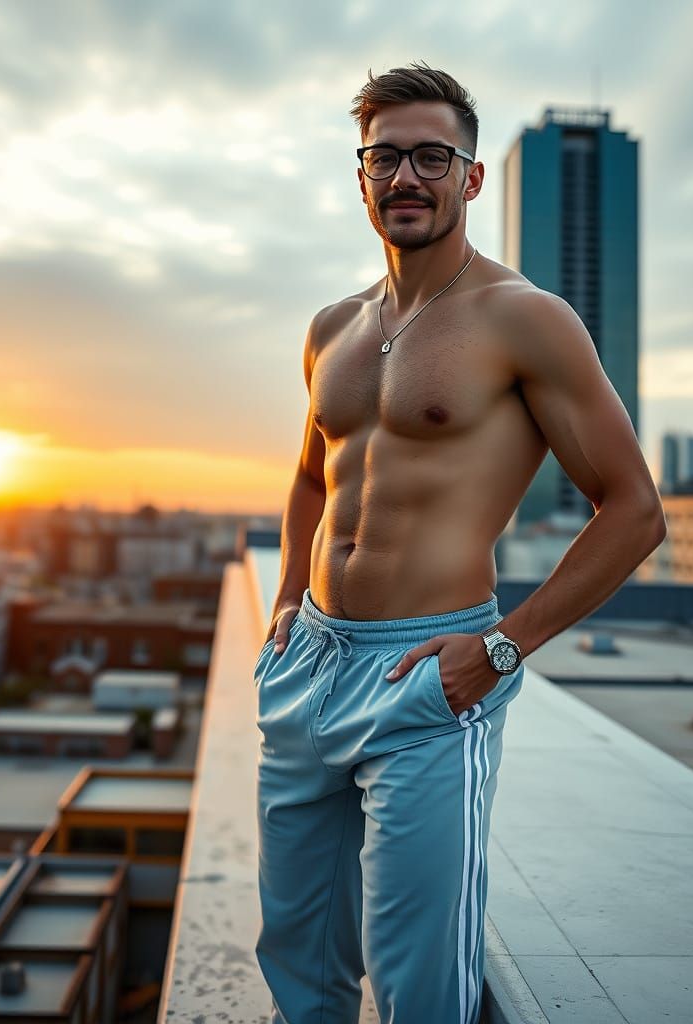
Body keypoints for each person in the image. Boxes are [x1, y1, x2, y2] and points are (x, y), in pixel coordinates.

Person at [252, 62, 666, 1023]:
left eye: (432, 156)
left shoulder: (526, 320)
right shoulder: (332, 328)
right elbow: (314, 476)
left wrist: (503, 647)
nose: (407, 177)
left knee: (419, 981)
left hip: (430, 674)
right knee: (297, 965)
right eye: (385, 157)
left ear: (471, 178)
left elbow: (634, 508)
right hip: (308, 661)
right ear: (360, 177)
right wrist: (282, 601)